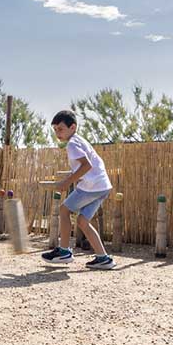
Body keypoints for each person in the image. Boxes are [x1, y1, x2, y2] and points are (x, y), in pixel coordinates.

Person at [41, 110, 116, 270]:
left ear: (73, 127)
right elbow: (88, 165)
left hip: (92, 186)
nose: (57, 133)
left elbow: (86, 165)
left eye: (60, 129)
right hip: (102, 186)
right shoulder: (79, 141)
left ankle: (64, 252)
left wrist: (67, 182)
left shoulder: (72, 144)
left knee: (64, 210)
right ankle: (103, 258)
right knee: (82, 221)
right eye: (55, 130)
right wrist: (71, 177)